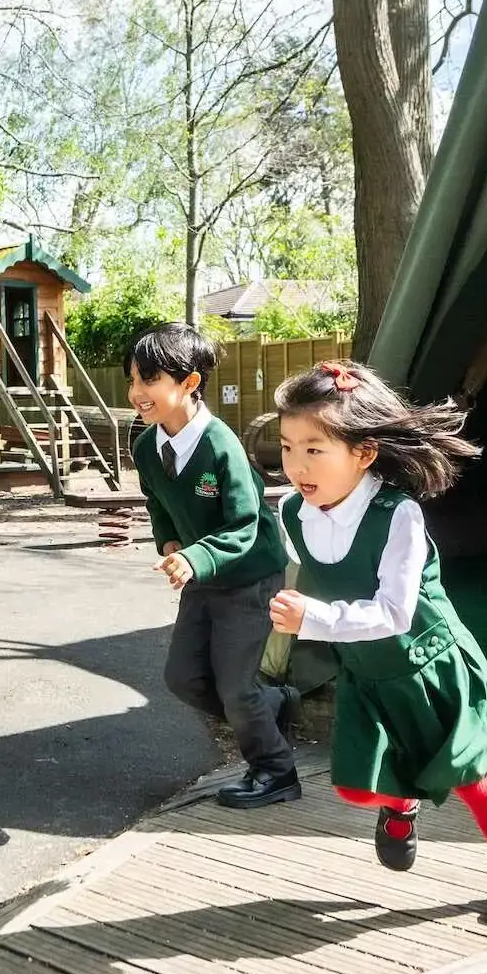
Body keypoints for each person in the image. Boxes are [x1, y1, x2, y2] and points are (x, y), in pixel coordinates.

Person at [265, 360, 487, 924]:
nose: (296, 465)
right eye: (288, 447)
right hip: (366, 670)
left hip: (427, 666)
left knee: (468, 775)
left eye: (315, 449)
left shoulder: (398, 515)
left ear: (364, 453)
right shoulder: (294, 511)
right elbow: (268, 556)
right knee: (358, 790)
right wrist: (200, 563)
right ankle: (401, 802)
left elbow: (393, 613)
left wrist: (312, 618)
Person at [126, 323, 300, 807]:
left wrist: (194, 557)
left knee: (236, 688)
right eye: (134, 381)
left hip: (249, 575)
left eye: (150, 380)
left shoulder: (220, 445)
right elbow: (155, 500)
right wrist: (169, 541)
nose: (138, 392)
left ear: (189, 384)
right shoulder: (145, 446)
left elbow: (245, 525)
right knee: (183, 678)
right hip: (201, 574)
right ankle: (274, 705)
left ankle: (276, 770)